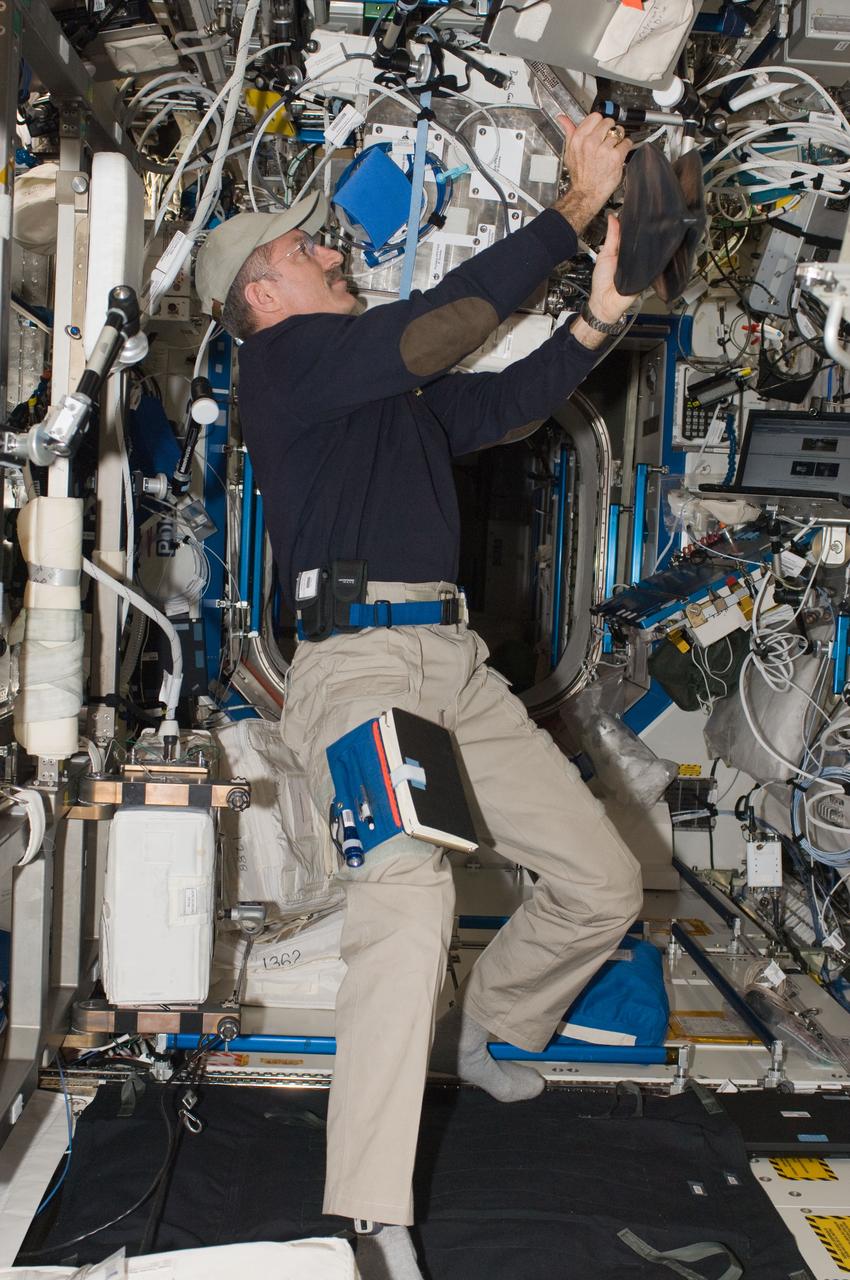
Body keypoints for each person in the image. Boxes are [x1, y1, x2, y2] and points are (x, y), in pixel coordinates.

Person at [195, 113, 644, 1280]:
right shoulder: (282, 365)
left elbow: (504, 400)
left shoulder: (373, 407)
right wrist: (567, 210)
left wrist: (604, 309)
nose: (331, 250)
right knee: (407, 886)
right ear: (262, 286)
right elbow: (441, 330)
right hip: (360, 670)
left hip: (455, 668)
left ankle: (493, 1024)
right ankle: (366, 1205)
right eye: (309, 250)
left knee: (598, 883)